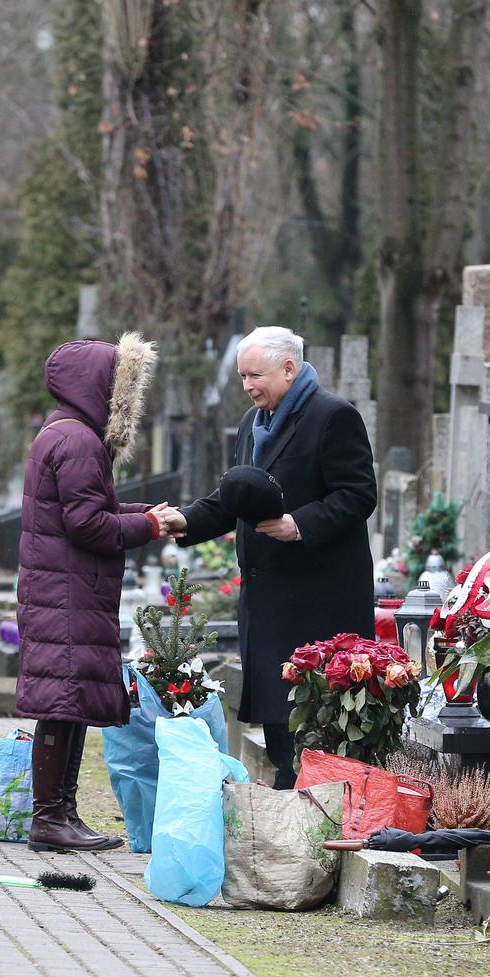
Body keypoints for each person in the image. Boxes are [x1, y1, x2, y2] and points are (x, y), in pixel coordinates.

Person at [165, 326, 377, 788]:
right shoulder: (252, 422)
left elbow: (359, 494)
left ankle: (311, 801)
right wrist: (186, 521)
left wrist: (298, 525)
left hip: (319, 596)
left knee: (313, 713)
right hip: (268, 596)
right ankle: (287, 790)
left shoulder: (333, 416)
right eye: (242, 376)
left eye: (253, 375)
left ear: (288, 368)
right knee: (279, 716)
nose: (247, 386)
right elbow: (232, 499)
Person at [16, 333, 171, 851]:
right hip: (67, 594)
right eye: (116, 384)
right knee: (62, 702)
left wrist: (147, 515)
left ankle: (61, 812)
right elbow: (87, 526)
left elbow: (86, 512)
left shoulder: (63, 433)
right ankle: (50, 818)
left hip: (64, 589)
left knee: (71, 699)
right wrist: (148, 528)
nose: (118, 396)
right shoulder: (79, 441)